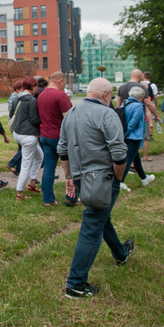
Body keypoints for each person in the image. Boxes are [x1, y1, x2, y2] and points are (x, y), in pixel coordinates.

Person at [59, 78, 134, 298]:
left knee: (101, 217)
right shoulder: (107, 113)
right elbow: (120, 153)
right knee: (92, 226)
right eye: (111, 96)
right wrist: (118, 179)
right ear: (106, 94)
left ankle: (121, 253)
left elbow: (62, 149)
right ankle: (75, 284)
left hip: (82, 178)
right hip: (103, 179)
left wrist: (69, 176)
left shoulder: (72, 113)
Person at [37, 71, 73, 206]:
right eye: (64, 83)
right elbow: (68, 119)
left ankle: (48, 199)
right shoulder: (61, 95)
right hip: (60, 137)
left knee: (48, 168)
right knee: (70, 169)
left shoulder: (41, 95)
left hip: (45, 135)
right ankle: (72, 198)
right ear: (60, 81)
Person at [10, 77, 43, 200]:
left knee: (40, 156)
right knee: (25, 165)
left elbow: (11, 114)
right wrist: (44, 118)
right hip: (28, 135)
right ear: (33, 87)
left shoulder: (16, 98)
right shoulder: (31, 100)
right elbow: (34, 120)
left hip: (18, 133)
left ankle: (32, 183)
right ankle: (20, 192)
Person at [122, 86, 155, 189]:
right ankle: (120, 181)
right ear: (140, 97)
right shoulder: (138, 106)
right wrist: (127, 132)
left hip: (127, 135)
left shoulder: (125, 104)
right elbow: (134, 122)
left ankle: (144, 178)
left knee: (136, 158)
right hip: (134, 136)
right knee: (129, 158)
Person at [6, 80, 24, 175]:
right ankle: (12, 163)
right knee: (23, 147)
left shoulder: (13, 97)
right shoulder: (16, 97)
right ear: (18, 89)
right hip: (16, 124)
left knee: (21, 147)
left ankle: (18, 168)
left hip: (14, 124)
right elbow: (12, 112)